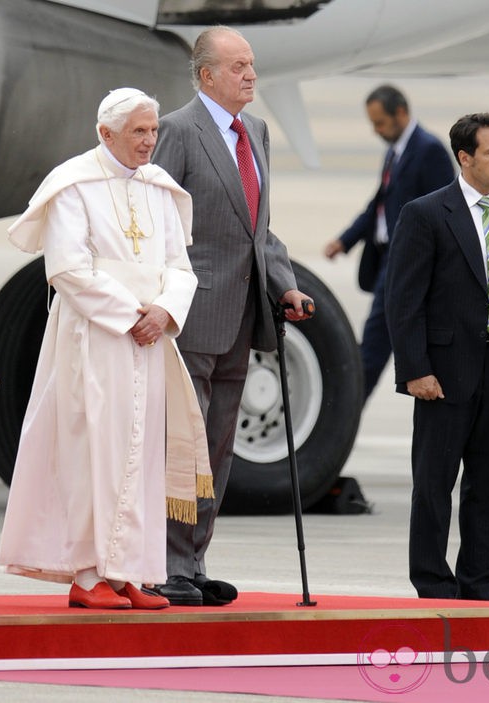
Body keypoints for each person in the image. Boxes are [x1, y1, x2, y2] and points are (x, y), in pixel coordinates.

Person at [0, 88, 208, 610]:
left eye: (153, 130)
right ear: (104, 133)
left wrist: (163, 312)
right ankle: (88, 573)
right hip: (94, 336)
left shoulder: (160, 188)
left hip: (148, 338)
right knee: (93, 450)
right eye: (138, 131)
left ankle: (129, 570)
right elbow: (67, 268)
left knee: (140, 451)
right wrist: (129, 315)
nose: (149, 141)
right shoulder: (74, 184)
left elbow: (180, 267)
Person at [148, 26, 313, 606]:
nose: (251, 75)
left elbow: (257, 228)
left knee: (217, 446)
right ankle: (163, 563)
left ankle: (193, 560)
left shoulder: (258, 133)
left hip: (242, 316)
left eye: (252, 65)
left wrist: (285, 285)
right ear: (207, 75)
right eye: (238, 66)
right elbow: (159, 227)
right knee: (182, 444)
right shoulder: (176, 130)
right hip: (190, 318)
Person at [384, 113, 489, 601]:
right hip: (444, 375)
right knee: (434, 487)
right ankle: (434, 584)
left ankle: (479, 582)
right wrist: (415, 369)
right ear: (465, 157)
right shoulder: (427, 213)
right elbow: (403, 300)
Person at [324, 85, 453, 400]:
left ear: (401, 113)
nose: (376, 131)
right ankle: (348, 407)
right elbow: (379, 203)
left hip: (407, 265)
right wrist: (345, 240)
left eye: (380, 123)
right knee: (374, 343)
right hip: (387, 259)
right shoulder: (397, 151)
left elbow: (447, 212)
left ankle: (346, 410)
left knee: (374, 345)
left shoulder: (429, 151)